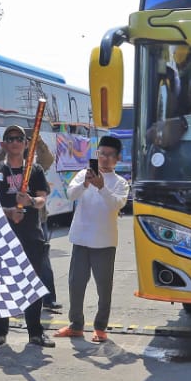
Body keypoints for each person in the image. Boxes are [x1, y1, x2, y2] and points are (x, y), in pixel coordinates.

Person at [55, 136, 130, 343]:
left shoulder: (121, 183)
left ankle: (100, 327)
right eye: (101, 154)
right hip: (80, 238)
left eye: (109, 155)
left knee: (103, 287)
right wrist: (86, 183)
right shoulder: (83, 174)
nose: (105, 158)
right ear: (97, 155)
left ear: (117, 158)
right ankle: (76, 325)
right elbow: (70, 195)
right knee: (75, 284)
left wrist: (101, 187)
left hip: (104, 242)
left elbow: (117, 205)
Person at [0, 125, 55, 350]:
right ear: (4, 144)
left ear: (26, 144)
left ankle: (35, 332)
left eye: (19, 138)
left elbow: (42, 198)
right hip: (2, 236)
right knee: (0, 284)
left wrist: (30, 202)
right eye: (10, 138)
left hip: (30, 235)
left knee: (31, 283)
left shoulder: (34, 170)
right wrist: (8, 212)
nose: (15, 142)